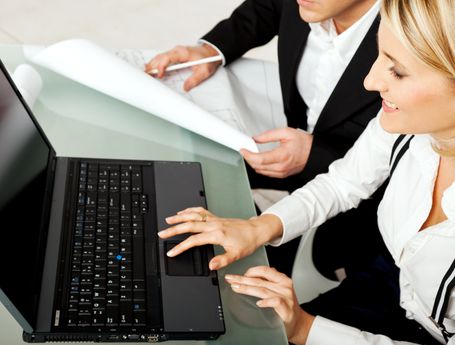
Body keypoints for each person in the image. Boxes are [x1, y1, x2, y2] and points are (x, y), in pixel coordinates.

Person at [157, 0, 455, 345]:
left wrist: (303, 328)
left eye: (398, 71)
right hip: (390, 284)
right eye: (380, 56)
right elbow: (343, 181)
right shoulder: (408, 123)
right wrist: (257, 228)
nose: (371, 81)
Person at [146, 0, 386, 279]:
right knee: (185, 166)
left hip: (368, 201)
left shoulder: (415, 43)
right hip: (295, 149)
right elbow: (268, 7)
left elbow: (407, 159)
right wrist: (210, 49)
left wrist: (316, 155)